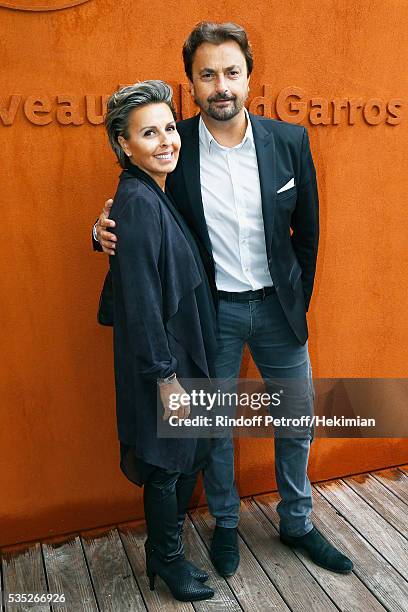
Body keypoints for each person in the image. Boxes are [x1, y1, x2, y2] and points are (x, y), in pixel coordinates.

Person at [95, 23, 353, 576]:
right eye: (207, 73)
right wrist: (99, 233)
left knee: (296, 416)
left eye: (231, 72)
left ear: (249, 78)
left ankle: (298, 521)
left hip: (279, 311)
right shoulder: (174, 145)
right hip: (213, 314)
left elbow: (306, 236)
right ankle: (227, 523)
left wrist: (296, 300)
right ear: (190, 81)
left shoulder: (290, 141)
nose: (221, 85)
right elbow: (138, 211)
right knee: (214, 429)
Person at [102, 80, 216, 602]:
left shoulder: (149, 193)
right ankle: (167, 561)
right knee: (166, 467)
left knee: (172, 461)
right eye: (149, 133)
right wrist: (166, 379)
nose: (167, 140)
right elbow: (142, 302)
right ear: (123, 144)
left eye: (169, 127)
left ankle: (163, 556)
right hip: (161, 360)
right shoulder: (139, 203)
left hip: (172, 352)